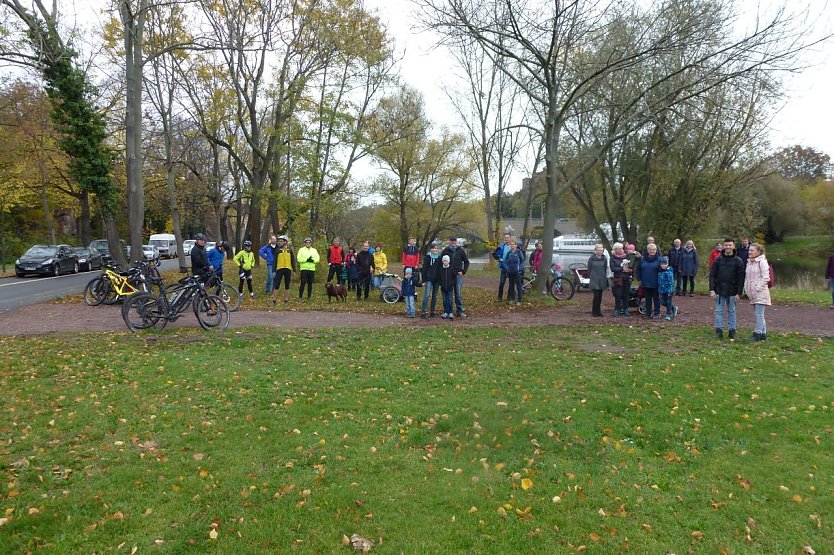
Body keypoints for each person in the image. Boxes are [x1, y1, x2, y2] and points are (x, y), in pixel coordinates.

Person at [709, 238, 745, 339]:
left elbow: (741, 278)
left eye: (730, 245)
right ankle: (719, 331)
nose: (728, 247)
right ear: (723, 246)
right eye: (726, 245)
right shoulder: (718, 260)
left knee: (731, 311)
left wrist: (739, 293)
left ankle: (732, 331)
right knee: (718, 311)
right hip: (719, 290)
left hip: (732, 291)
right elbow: (712, 275)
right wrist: (712, 290)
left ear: (733, 246)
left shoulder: (738, 261)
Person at [744, 242, 771, 341]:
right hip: (752, 293)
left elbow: (766, 277)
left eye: (752, 250)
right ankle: (763, 334)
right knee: (758, 314)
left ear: (758, 252)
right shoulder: (749, 262)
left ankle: (757, 333)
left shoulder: (762, 262)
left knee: (759, 314)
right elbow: (747, 277)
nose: (749, 252)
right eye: (749, 250)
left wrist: (757, 288)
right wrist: (746, 288)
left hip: (760, 293)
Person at [441, 236, 470, 318]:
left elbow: (466, 262)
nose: (453, 242)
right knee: (448, 293)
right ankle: (448, 311)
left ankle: (459, 311)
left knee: (458, 293)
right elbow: (441, 261)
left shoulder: (460, 250)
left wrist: (463, 271)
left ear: (456, 242)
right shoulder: (446, 250)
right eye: (452, 241)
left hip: (457, 274)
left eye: (454, 241)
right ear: (449, 241)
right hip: (448, 275)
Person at [270, 235, 296, 305]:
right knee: (276, 285)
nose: (280, 242)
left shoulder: (290, 250)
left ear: (285, 242)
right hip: (279, 269)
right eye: (279, 241)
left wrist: (294, 270)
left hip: (288, 269)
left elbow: (293, 260)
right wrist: (273, 271)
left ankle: (286, 300)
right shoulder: (277, 250)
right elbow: (274, 261)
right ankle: (274, 300)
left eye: (281, 241)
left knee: (287, 285)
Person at [637, 243, 661, 318]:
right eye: (650, 250)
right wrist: (639, 279)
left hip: (656, 282)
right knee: (647, 299)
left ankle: (657, 313)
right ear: (647, 250)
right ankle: (648, 313)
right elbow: (638, 269)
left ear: (656, 251)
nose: (652, 251)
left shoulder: (659, 259)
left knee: (656, 299)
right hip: (645, 282)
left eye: (654, 250)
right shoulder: (642, 259)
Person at [609, 242, 632, 317]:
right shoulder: (612, 258)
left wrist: (630, 270)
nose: (621, 250)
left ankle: (626, 309)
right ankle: (617, 310)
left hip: (626, 278)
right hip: (618, 279)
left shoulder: (626, 257)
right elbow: (613, 268)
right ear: (615, 250)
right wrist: (622, 269)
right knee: (618, 295)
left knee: (626, 295)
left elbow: (631, 266)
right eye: (619, 249)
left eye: (621, 248)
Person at [587, 244, 609, 317]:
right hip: (594, 279)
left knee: (600, 296)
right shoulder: (591, 258)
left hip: (602, 278)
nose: (600, 252)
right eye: (598, 250)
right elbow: (589, 269)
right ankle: (594, 311)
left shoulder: (604, 258)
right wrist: (591, 277)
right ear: (595, 250)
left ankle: (598, 311)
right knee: (596, 295)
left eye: (601, 250)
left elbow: (605, 268)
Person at [420, 242, 441, 318]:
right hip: (429, 279)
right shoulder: (427, 257)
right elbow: (424, 269)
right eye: (433, 248)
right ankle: (423, 311)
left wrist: (440, 279)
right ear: (430, 249)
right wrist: (423, 280)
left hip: (437, 280)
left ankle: (433, 310)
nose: (434, 249)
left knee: (434, 296)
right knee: (427, 295)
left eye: (436, 248)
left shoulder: (439, 258)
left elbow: (440, 269)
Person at [503, 240, 525, 306]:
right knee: (511, 286)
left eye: (513, 244)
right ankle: (512, 299)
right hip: (510, 272)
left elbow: (522, 261)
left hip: (517, 272)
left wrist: (519, 269)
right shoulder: (509, 252)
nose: (512, 245)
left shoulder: (518, 252)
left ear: (516, 245)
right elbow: (505, 261)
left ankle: (519, 300)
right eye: (511, 244)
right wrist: (507, 268)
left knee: (519, 286)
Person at [493, 233, 512, 300]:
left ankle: (509, 298)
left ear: (510, 238)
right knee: (501, 283)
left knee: (511, 284)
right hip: (504, 267)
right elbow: (494, 253)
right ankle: (499, 297)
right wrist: (499, 258)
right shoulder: (501, 246)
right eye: (505, 237)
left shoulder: (513, 246)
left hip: (511, 268)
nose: (506, 239)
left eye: (507, 237)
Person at [658, 256, 677, 321]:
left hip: (669, 291)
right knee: (662, 302)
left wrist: (670, 291)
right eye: (662, 264)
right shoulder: (660, 272)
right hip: (662, 290)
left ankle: (668, 314)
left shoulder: (669, 272)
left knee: (668, 302)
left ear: (667, 264)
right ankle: (673, 308)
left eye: (665, 264)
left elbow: (671, 282)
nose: (663, 265)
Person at [438, 254, 456, 320]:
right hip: (443, 287)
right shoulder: (441, 269)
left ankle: (450, 312)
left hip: (450, 287)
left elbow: (454, 277)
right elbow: (439, 278)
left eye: (446, 261)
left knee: (450, 300)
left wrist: (452, 283)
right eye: (444, 261)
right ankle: (445, 312)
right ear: (443, 262)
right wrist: (441, 283)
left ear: (449, 262)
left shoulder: (451, 269)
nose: (445, 262)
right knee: (445, 300)